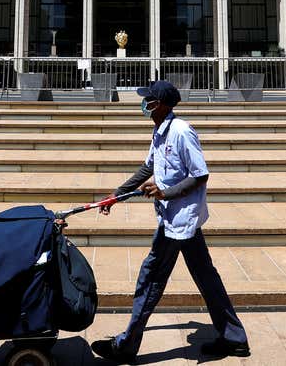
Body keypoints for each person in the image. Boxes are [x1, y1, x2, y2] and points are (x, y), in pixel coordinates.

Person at [90, 80, 249, 363]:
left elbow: (200, 175)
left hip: (180, 221)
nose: (144, 104)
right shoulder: (159, 132)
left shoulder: (181, 131)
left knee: (150, 278)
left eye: (148, 100)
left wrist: (165, 192)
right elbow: (147, 168)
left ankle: (126, 346)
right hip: (174, 219)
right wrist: (116, 195)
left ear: (161, 104)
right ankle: (234, 338)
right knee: (206, 277)